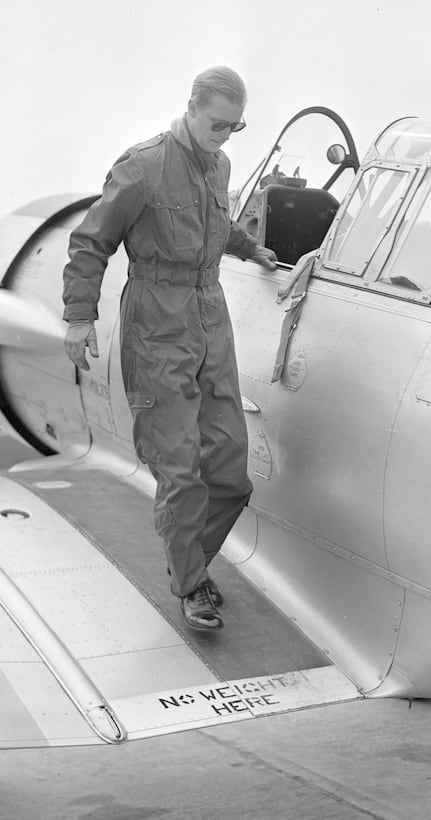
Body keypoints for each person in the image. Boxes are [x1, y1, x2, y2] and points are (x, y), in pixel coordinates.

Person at [62, 66, 277, 632]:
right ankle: (191, 585)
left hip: (211, 318)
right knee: (181, 473)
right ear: (191, 108)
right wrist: (79, 318)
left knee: (230, 473)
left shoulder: (220, 163)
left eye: (236, 127)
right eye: (217, 124)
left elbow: (216, 223)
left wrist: (253, 250)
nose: (225, 136)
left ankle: (189, 566)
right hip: (157, 325)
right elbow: (90, 242)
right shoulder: (144, 164)